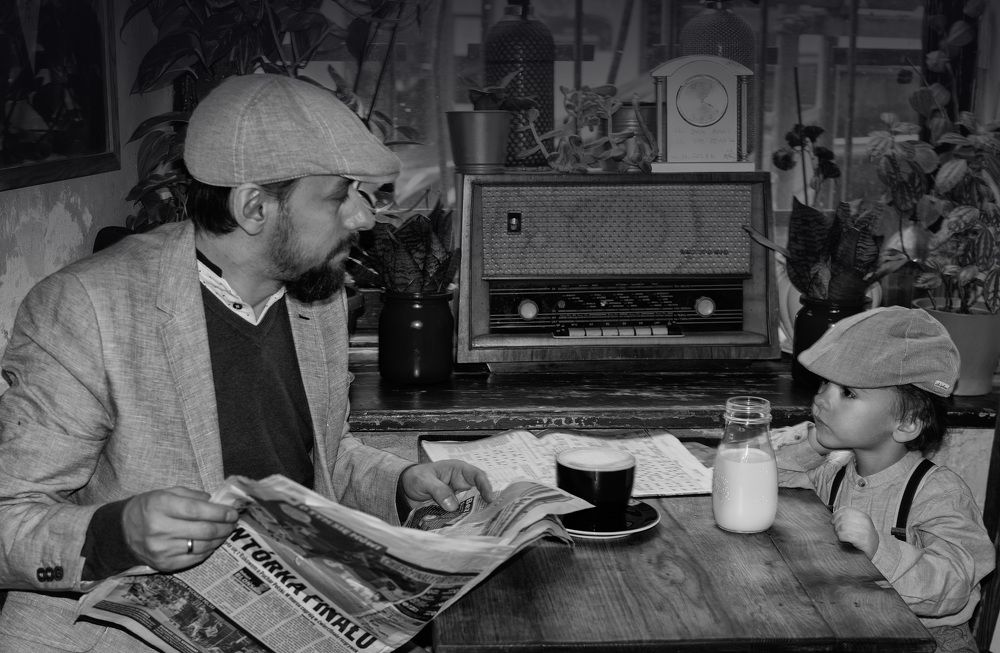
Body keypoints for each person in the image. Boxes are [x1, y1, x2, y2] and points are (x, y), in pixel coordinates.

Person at [0, 73, 493, 652]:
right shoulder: (88, 308)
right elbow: (9, 517)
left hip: (290, 615)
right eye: (339, 195)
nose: (364, 218)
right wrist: (117, 533)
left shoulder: (316, 292)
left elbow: (323, 457)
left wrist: (402, 485)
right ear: (254, 206)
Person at [773, 306, 995, 653]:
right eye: (825, 383)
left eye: (848, 393)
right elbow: (768, 479)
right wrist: (814, 443)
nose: (821, 399)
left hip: (930, 641)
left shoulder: (940, 493)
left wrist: (880, 549)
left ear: (907, 423)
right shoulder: (834, 470)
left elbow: (955, 587)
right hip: (856, 626)